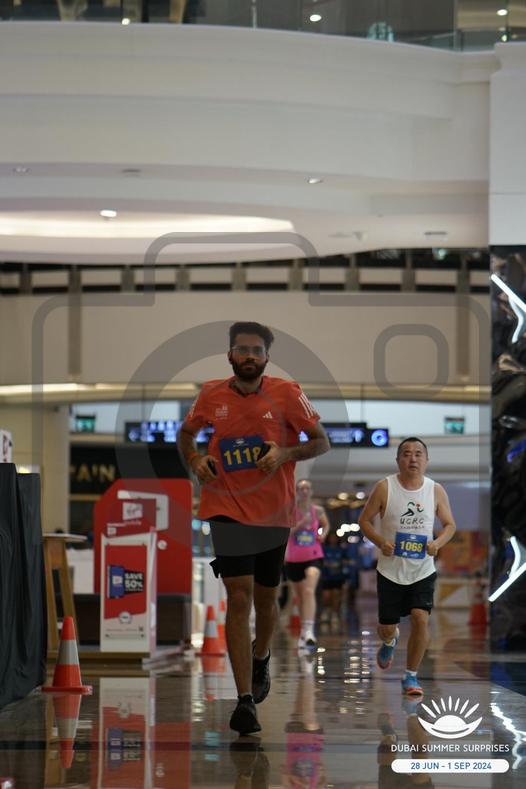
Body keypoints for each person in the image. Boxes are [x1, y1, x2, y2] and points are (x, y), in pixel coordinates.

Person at [178, 321, 330, 735]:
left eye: (256, 350)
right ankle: (244, 700)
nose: (249, 356)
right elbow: (187, 434)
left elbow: (321, 441)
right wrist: (195, 459)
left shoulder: (288, 393)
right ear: (230, 355)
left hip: (273, 513)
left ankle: (261, 655)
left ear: (266, 357)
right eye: (242, 349)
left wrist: (284, 454)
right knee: (239, 596)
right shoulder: (211, 394)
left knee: (266, 598)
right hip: (225, 506)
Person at [358, 437, 456, 697]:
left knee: (421, 618)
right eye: (407, 453)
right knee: (387, 628)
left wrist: (437, 543)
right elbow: (364, 521)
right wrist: (381, 542)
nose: (413, 458)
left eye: (418, 454)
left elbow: (450, 525)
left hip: (422, 569)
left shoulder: (435, 490)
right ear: (398, 460)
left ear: (426, 460)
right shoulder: (384, 487)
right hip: (390, 570)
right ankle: (390, 640)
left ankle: (410, 676)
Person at [285, 480, 330, 650]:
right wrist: (300, 524)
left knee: (309, 590)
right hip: (293, 559)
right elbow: (284, 532)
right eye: (301, 488)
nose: (304, 491)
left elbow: (326, 525)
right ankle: (304, 631)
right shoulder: (289, 511)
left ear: (311, 491)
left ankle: (310, 631)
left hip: (314, 556)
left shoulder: (317, 510)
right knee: (300, 597)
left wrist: (323, 534)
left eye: (307, 488)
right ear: (296, 491)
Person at [321, 531, 346, 626]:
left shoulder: (341, 549)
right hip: (326, 576)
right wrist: (325, 564)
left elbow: (347, 560)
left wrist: (341, 564)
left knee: (336, 595)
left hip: (338, 577)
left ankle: (335, 614)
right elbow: (320, 560)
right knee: (326, 596)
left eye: (334, 538)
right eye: (331, 537)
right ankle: (326, 611)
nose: (333, 539)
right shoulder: (324, 549)